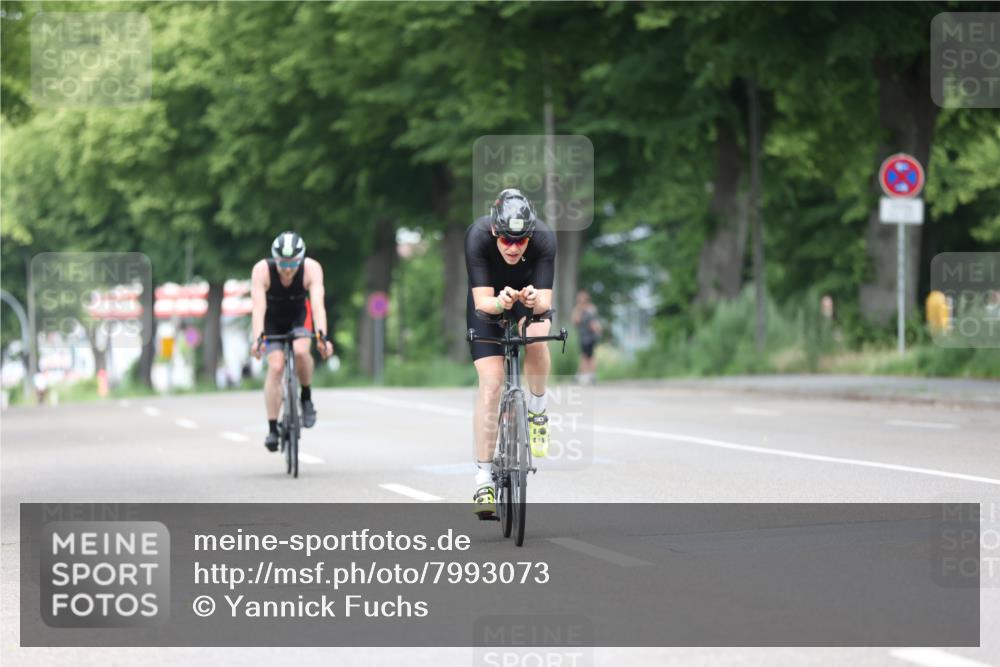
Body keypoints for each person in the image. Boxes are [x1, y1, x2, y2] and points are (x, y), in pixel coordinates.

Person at [465, 188, 556, 517]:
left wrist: (532, 301)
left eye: (522, 241)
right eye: (507, 240)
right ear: (494, 231)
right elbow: (481, 303)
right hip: (490, 302)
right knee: (491, 386)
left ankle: (538, 411)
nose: (514, 248)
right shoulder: (476, 236)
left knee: (537, 336)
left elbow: (546, 301)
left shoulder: (545, 238)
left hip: (527, 301)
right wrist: (501, 302)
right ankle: (484, 479)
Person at [250, 232, 333, 452]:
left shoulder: (311, 269)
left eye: (293, 263)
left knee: (300, 352)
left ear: (302, 258)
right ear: (275, 259)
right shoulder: (261, 270)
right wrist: (258, 339)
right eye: (283, 263)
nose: (288, 269)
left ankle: (306, 397)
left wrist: (322, 336)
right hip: (272, 319)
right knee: (276, 367)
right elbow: (258, 309)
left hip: (298, 316)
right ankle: (272, 428)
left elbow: (317, 306)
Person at [571, 289, 602, 385]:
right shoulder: (578, 310)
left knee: (587, 356)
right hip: (583, 336)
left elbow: (593, 323)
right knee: (587, 356)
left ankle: (585, 376)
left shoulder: (590, 309)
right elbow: (575, 322)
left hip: (589, 337)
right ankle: (588, 376)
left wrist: (597, 329)